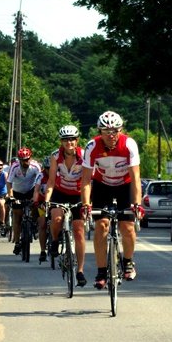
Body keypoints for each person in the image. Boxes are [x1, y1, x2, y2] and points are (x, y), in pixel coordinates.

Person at [81, 111, 143, 289]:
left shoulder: (129, 144)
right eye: (106, 131)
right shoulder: (92, 146)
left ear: (120, 130)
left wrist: (137, 205)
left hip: (125, 185)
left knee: (128, 226)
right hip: (102, 185)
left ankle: (128, 261)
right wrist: (86, 204)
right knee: (101, 226)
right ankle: (101, 271)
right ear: (99, 132)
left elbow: (136, 178)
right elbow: (86, 180)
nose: (111, 135)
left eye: (115, 130)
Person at [43, 125, 88, 286]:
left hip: (78, 193)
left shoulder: (84, 156)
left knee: (79, 230)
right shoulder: (56, 156)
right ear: (61, 142)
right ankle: (55, 240)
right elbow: (51, 181)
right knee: (56, 218)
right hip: (60, 192)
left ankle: (80, 271)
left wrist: (88, 201)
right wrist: (47, 200)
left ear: (77, 141)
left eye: (72, 139)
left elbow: (89, 180)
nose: (69, 142)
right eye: (65, 140)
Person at [6, 147, 42, 256]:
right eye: (23, 160)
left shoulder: (35, 166)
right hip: (17, 192)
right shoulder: (15, 167)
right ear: (19, 160)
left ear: (30, 158)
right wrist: (11, 196)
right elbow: (9, 182)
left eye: (28, 159)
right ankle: (17, 242)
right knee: (18, 217)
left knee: (36, 206)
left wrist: (36, 196)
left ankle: (35, 223)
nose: (26, 162)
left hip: (31, 190)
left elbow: (40, 180)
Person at [34, 157, 51, 262]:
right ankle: (43, 250)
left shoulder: (58, 174)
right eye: (47, 168)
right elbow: (36, 190)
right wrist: (36, 202)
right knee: (43, 224)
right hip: (42, 202)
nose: (49, 170)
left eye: (51, 168)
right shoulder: (41, 175)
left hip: (54, 201)